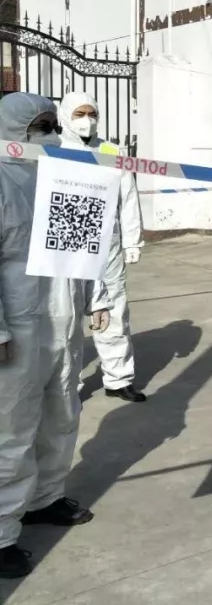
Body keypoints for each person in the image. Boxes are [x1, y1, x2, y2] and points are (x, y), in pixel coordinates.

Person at [0, 93, 112, 579]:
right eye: (38, 125)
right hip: (19, 323)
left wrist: (98, 298)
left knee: (62, 412)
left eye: (51, 123)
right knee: (11, 428)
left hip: (62, 318)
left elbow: (88, 242)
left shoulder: (62, 174)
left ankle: (45, 498)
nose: (47, 133)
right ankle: (1, 532)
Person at [57, 92, 146, 403]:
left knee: (115, 311)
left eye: (92, 114)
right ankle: (69, 386)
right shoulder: (52, 149)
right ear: (66, 115)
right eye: (80, 114)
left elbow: (128, 196)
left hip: (108, 243)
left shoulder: (111, 150)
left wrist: (132, 240)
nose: (87, 120)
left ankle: (118, 379)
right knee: (68, 317)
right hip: (68, 242)